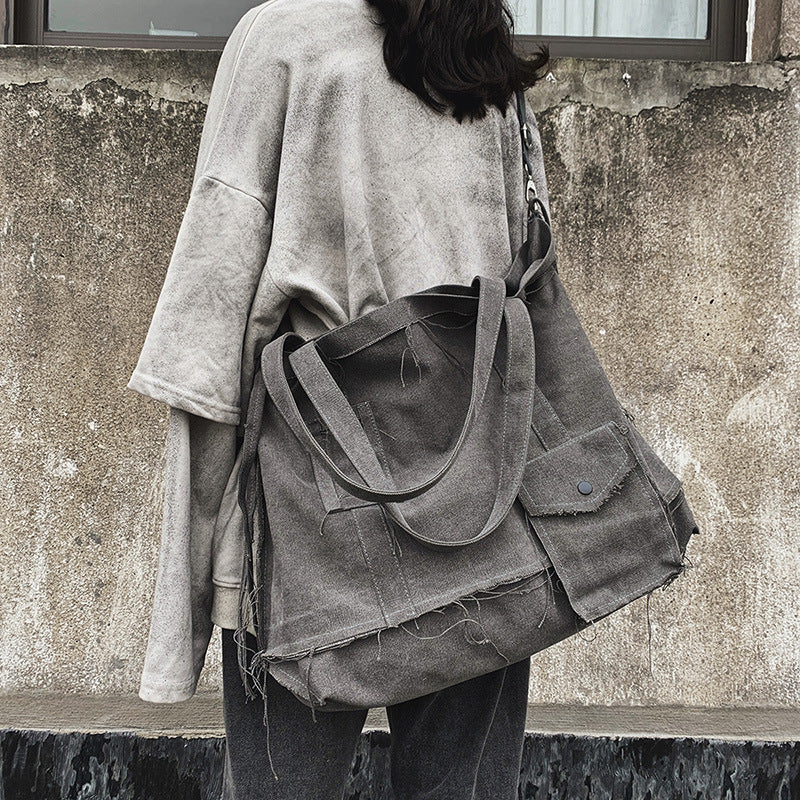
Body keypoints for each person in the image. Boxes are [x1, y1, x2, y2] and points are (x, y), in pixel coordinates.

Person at [128, 0, 550, 797]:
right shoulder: (480, 46)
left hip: (312, 512)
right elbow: (530, 292)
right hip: (479, 494)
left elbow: (214, 327)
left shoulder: (285, 40)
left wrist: (202, 577)